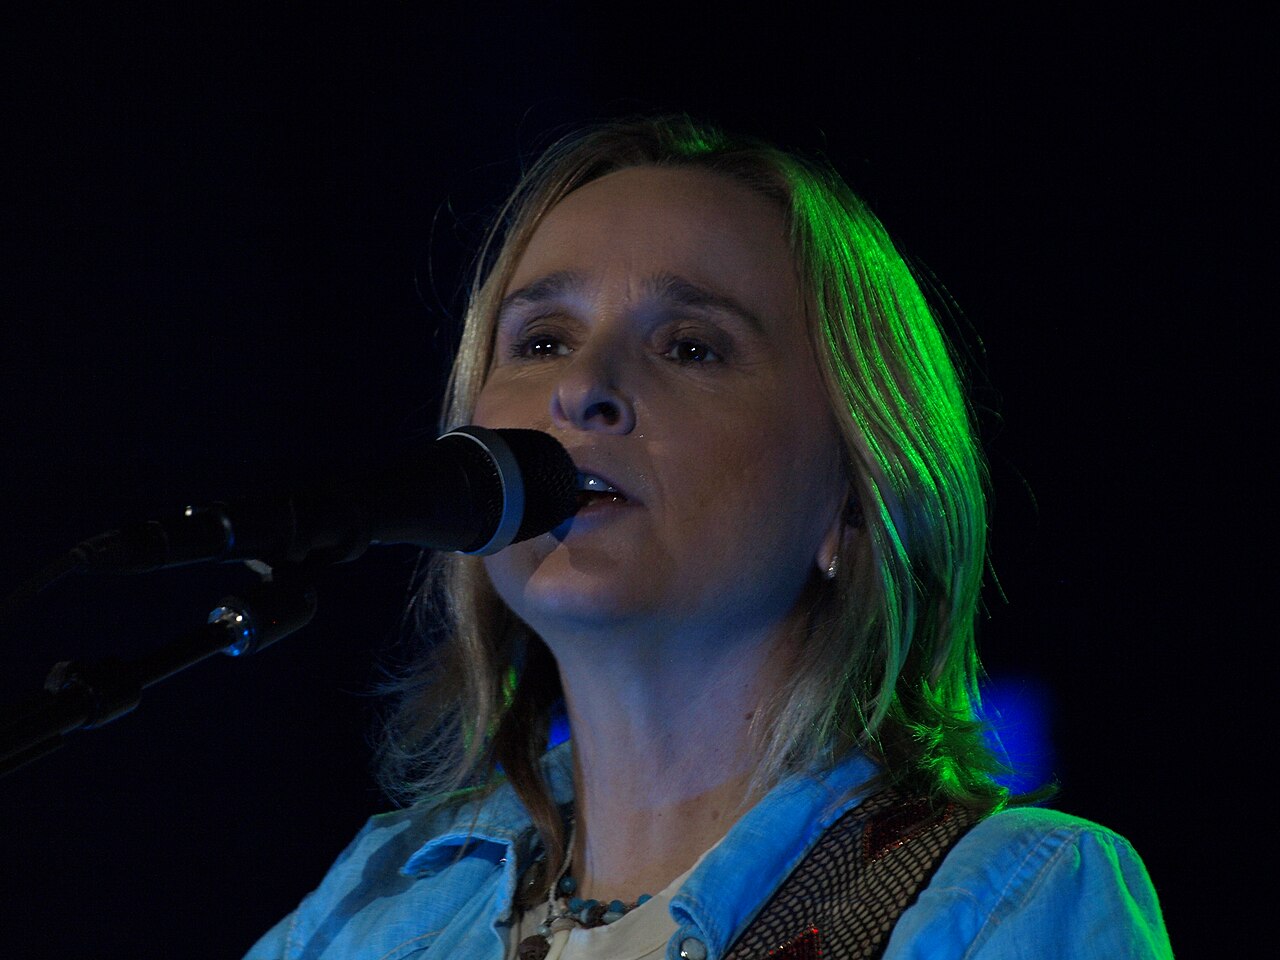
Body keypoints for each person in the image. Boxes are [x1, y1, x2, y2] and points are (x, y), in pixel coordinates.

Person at [244, 116, 1172, 959]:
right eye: (542, 341)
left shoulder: (1007, 899)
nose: (581, 388)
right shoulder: (376, 908)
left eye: (691, 347)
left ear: (855, 497)